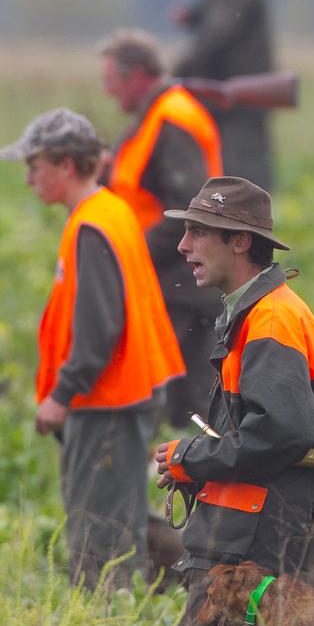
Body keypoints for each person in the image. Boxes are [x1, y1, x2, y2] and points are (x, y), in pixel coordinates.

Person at [150, 176, 314, 626]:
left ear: (240, 242)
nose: (182, 246)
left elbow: (282, 431)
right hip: (262, 530)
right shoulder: (259, 310)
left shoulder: (271, 320)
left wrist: (192, 458)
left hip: (258, 542)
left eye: (199, 232)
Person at [0, 108, 185, 591]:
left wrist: (63, 393)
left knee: (98, 530)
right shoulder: (110, 211)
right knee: (120, 512)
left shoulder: (93, 226)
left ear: (65, 164)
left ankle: (109, 619)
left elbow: (100, 326)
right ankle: (199, 583)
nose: (28, 179)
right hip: (124, 395)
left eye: (34, 166)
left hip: (107, 401)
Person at [99, 28, 225, 431]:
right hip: (169, 280)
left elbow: (189, 207)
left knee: (177, 402)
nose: (110, 92)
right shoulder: (155, 117)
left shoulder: (172, 120)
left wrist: (133, 253)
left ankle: (194, 483)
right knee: (179, 401)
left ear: (138, 74)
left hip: (181, 285)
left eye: (113, 82)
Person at [170, 0, 277, 191]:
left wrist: (178, 72)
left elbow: (219, 32)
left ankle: (251, 208)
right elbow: (216, 15)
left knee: (242, 160)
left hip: (240, 92)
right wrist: (193, 16)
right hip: (231, 90)